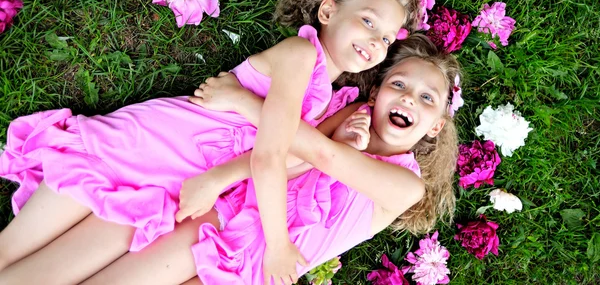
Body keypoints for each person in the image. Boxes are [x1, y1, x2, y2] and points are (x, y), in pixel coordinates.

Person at [0, 0, 419, 285]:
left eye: (385, 37)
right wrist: (277, 245)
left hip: (178, 184)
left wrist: (340, 140)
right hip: (152, 147)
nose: (374, 41)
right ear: (327, 11)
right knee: (12, 259)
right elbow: (268, 157)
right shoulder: (300, 55)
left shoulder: (328, 100)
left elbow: (297, 158)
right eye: (368, 21)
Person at [80, 34, 461, 285]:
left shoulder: (406, 187)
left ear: (435, 127)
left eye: (428, 98)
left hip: (264, 269)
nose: (410, 98)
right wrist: (218, 179)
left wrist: (243, 101)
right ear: (376, 93)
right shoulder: (350, 111)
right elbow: (287, 150)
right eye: (399, 84)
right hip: (226, 220)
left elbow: (320, 153)